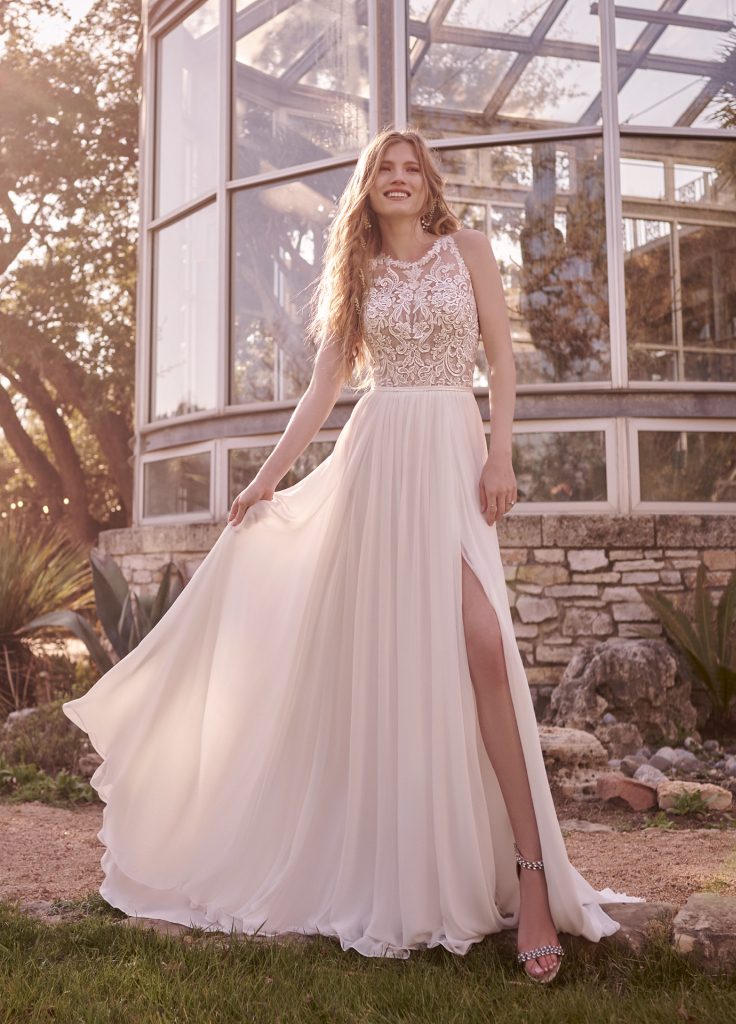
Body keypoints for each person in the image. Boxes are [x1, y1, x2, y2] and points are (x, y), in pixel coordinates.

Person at [62, 126, 643, 982]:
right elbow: (326, 386)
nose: (400, 179)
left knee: (483, 644)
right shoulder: (358, 272)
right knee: (393, 671)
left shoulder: (469, 250)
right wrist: (264, 481)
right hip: (377, 469)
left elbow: (502, 362)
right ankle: (398, 868)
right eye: (385, 170)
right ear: (368, 189)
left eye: (412, 168)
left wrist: (501, 451)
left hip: (451, 455)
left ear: (428, 183)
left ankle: (529, 876)